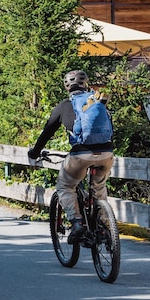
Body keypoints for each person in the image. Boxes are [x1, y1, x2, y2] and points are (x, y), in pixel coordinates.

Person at [28, 69, 114, 243]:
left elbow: (47, 132)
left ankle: (76, 222)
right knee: (98, 188)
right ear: (86, 84)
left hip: (80, 154)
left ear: (66, 86)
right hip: (106, 153)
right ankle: (103, 227)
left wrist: (34, 152)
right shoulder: (97, 102)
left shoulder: (64, 106)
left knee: (65, 186)